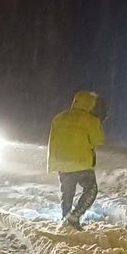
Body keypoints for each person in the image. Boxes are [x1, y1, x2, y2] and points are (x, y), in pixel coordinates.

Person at [47, 90, 107, 230]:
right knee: (91, 190)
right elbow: (98, 139)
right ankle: (75, 217)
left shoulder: (59, 117)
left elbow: (53, 140)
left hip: (61, 162)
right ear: (90, 104)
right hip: (81, 162)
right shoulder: (90, 119)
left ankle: (65, 218)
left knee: (67, 193)